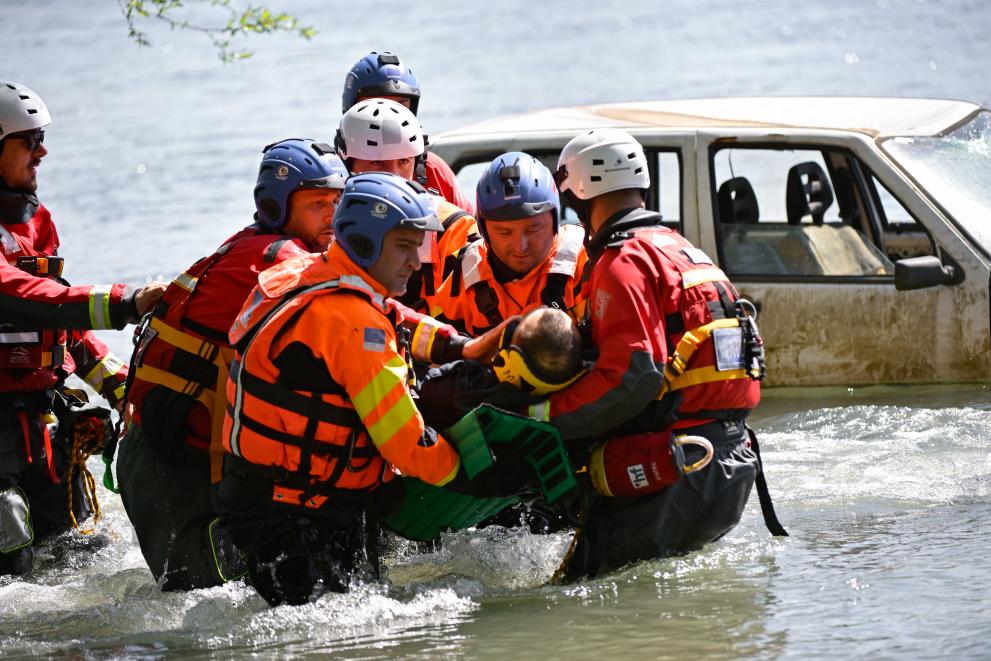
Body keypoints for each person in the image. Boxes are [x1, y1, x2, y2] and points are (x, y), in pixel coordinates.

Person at [215, 172, 527, 607]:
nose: (416, 262)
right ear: (364, 243)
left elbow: (391, 314)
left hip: (264, 499)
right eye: (404, 247)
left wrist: (460, 346)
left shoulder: (302, 272)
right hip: (294, 516)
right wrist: (481, 476)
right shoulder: (355, 327)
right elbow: (407, 445)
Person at [526, 128, 783, 581]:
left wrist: (543, 417)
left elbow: (634, 374)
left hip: (672, 469)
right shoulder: (682, 250)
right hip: (729, 462)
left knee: (588, 595)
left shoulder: (623, 261)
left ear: (580, 194)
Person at [115, 138, 351, 591]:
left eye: (338, 202)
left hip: (191, 445)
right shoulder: (281, 259)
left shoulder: (272, 247)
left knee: (238, 585)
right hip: (166, 457)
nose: (332, 215)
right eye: (317, 203)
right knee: (195, 599)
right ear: (275, 206)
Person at [0, 81, 165, 575]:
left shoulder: (37, 221)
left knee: (84, 552)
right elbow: (27, 297)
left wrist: (127, 390)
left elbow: (63, 326)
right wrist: (126, 302)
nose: (42, 151)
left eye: (42, 138)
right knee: (13, 555)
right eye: (30, 141)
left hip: (42, 420)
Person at [335, 98, 478, 312]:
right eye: (377, 162)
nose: (394, 176)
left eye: (403, 162)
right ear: (347, 165)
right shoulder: (328, 224)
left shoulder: (451, 228)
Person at [431, 151, 587, 336]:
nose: (520, 246)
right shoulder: (468, 273)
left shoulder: (584, 262)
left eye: (533, 230)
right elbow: (437, 344)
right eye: (504, 233)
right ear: (484, 230)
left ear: (554, 220)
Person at [341, 51, 472, 213]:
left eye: (400, 105)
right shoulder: (331, 175)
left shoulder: (434, 170)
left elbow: (465, 223)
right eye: (377, 104)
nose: (388, 114)